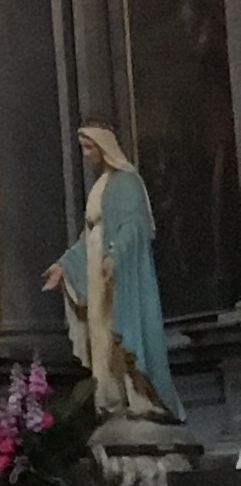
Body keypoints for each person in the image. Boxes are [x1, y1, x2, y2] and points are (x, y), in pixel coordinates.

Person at [47, 123, 181, 424]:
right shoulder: (101, 185)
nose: (86, 154)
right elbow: (89, 234)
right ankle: (112, 399)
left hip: (116, 271)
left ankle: (139, 396)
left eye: (89, 147)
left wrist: (115, 255)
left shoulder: (126, 182)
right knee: (101, 334)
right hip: (97, 269)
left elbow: (134, 225)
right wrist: (64, 265)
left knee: (120, 330)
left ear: (104, 146)